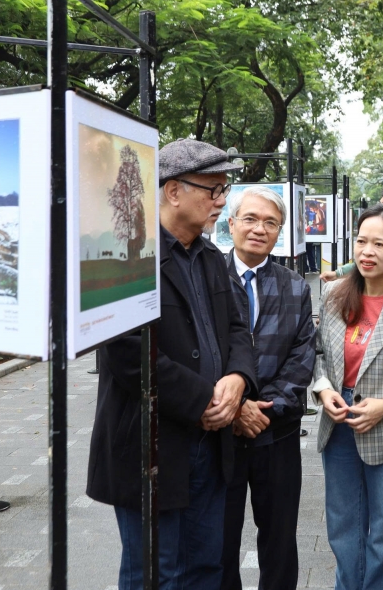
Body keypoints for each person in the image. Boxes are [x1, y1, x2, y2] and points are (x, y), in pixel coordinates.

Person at [87, 139, 257, 590]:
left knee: (206, 567)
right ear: (172, 191)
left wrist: (237, 380)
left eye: (225, 190)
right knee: (155, 572)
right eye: (213, 190)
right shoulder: (125, 253)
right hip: (152, 443)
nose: (222, 202)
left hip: (211, 442)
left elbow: (238, 328)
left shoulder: (210, 257)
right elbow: (125, 351)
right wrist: (204, 396)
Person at [311, 204, 383, 590]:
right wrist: (324, 390)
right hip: (338, 423)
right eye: (361, 241)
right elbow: (318, 353)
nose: (367, 252)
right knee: (344, 531)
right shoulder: (332, 294)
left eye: (379, 243)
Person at [221, 187, 316, 590]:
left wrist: (263, 409)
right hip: (217, 435)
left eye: (270, 223)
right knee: (217, 541)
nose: (259, 229)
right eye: (250, 219)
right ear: (231, 224)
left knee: (279, 541)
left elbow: (302, 359)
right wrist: (235, 408)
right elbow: (201, 353)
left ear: (280, 232)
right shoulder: (208, 279)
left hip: (276, 433)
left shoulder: (295, 287)